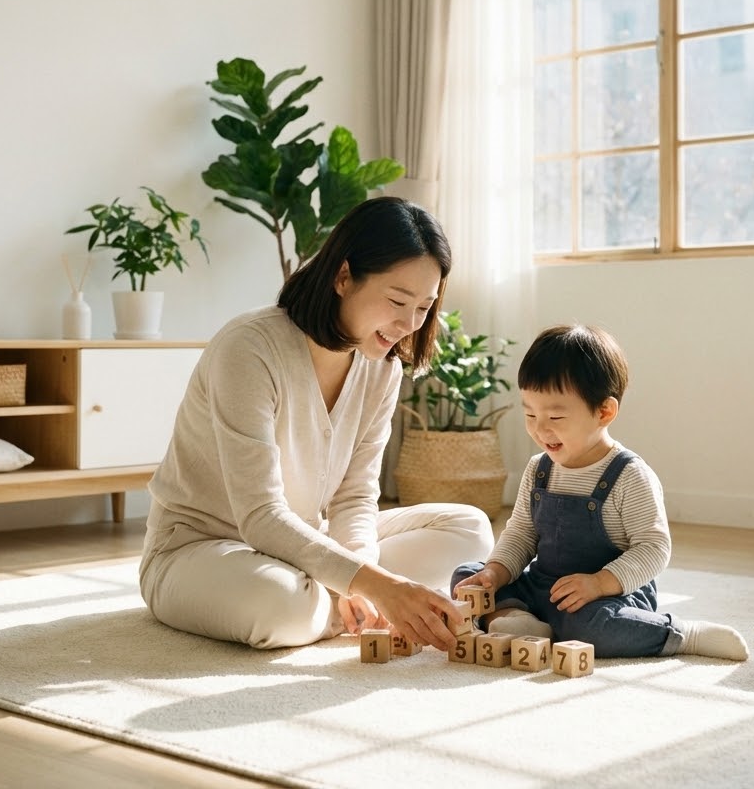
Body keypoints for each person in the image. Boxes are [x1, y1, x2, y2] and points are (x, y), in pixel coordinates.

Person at [140, 196, 494, 651]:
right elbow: (261, 517)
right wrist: (377, 586)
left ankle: (341, 605)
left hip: (305, 546)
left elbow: (355, 495)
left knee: (469, 530)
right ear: (343, 277)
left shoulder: (381, 367)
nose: (408, 324)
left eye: (424, 308)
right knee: (277, 605)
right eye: (397, 301)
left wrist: (359, 576)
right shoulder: (249, 349)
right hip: (200, 550)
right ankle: (342, 603)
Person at [451, 323, 748, 661]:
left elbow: (654, 549)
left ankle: (681, 634)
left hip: (608, 596)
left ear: (604, 412)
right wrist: (494, 572)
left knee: (590, 627)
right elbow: (520, 534)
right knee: (466, 575)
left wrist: (600, 583)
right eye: (530, 413)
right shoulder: (539, 469)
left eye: (555, 416)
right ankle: (517, 619)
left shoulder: (629, 475)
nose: (539, 428)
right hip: (542, 587)